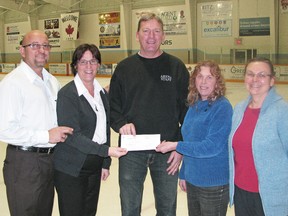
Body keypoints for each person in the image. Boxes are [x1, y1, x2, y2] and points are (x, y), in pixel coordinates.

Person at [109, 13, 189, 216]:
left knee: (167, 208)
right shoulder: (124, 68)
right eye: (146, 31)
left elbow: (187, 111)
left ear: (163, 35)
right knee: (129, 208)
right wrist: (121, 124)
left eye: (156, 31)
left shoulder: (176, 67)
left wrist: (180, 147)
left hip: (166, 150)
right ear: (137, 35)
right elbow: (113, 106)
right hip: (132, 152)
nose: (151, 36)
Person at [0, 30, 73, 216]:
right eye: (34, 45)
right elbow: (4, 130)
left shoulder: (51, 82)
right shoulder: (13, 83)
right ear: (22, 51)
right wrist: (46, 136)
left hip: (49, 160)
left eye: (46, 45)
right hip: (24, 163)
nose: (41, 50)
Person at [53, 43, 127, 216]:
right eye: (83, 62)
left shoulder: (101, 93)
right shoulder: (67, 94)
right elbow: (72, 136)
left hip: (94, 165)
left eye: (93, 61)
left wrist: (105, 162)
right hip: (71, 168)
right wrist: (107, 151)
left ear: (99, 65)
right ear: (75, 65)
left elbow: (105, 128)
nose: (88, 66)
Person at [156, 60, 233, 216]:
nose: (203, 82)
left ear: (217, 81)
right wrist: (184, 173)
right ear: (194, 80)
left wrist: (175, 145)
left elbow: (211, 146)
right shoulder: (194, 104)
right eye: (199, 77)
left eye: (209, 77)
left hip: (213, 184)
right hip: (193, 180)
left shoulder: (222, 107)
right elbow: (189, 140)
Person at [228, 57, 288, 216]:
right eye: (250, 74)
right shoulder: (240, 109)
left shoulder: (282, 112)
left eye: (262, 75)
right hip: (241, 192)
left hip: (271, 197)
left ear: (272, 80)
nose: (255, 79)